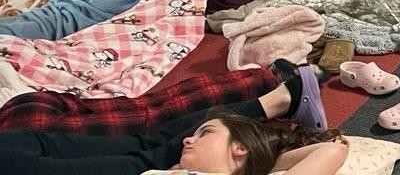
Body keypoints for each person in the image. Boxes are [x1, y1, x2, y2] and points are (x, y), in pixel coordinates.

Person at [0, 65, 347, 175]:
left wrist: (261, 162)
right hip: (25, 145)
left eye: (202, 133)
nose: (188, 138)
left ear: (240, 149)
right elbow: (336, 146)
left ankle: (281, 97)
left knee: (151, 144)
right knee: (152, 141)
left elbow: (334, 148)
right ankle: (280, 97)